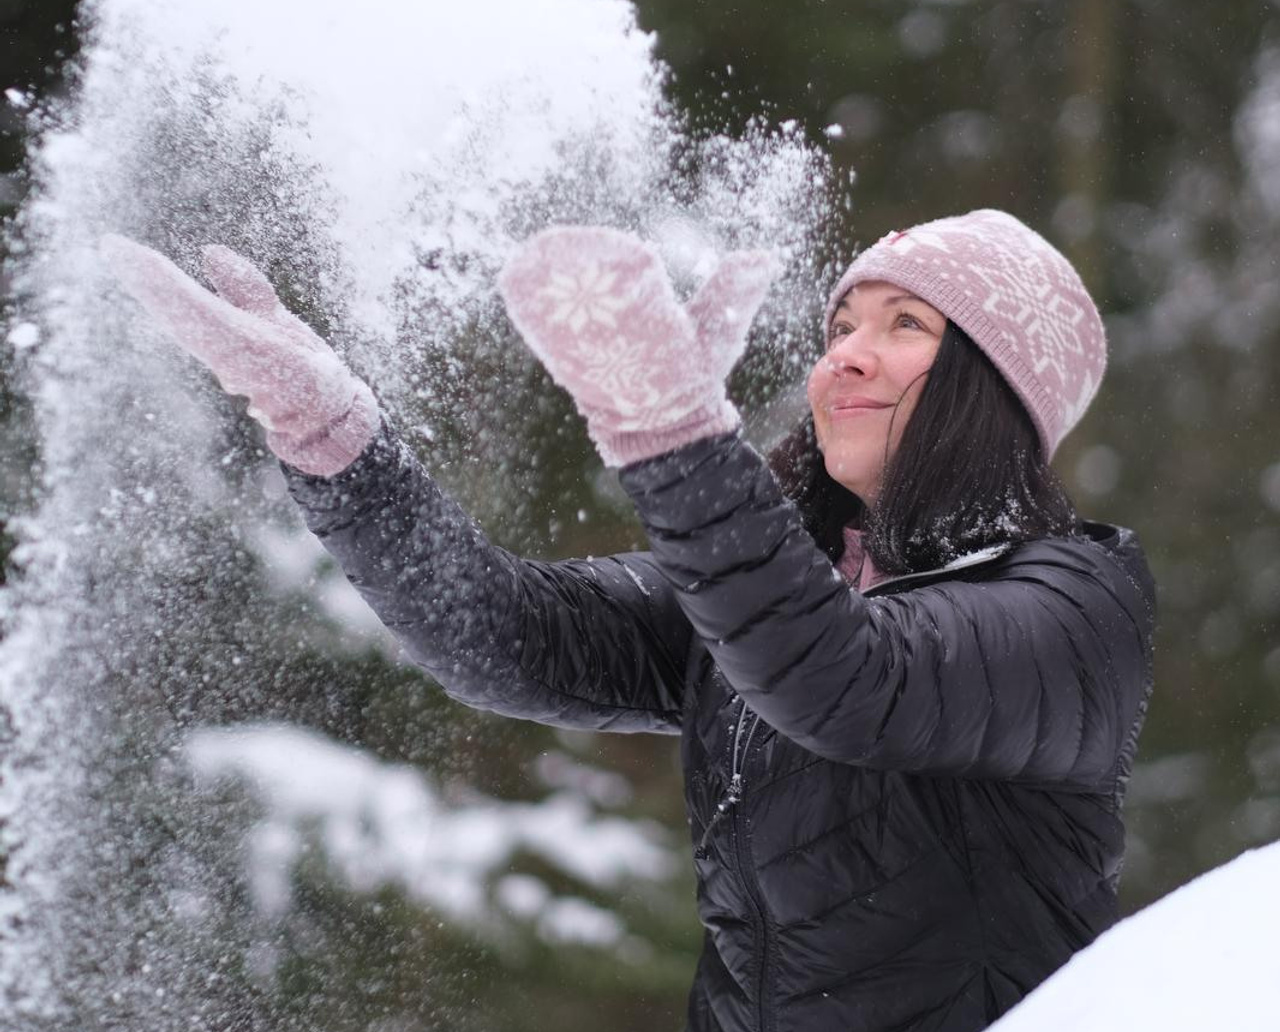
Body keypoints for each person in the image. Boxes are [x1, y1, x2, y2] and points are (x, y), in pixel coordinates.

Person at [103, 208, 1156, 1032]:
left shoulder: (1070, 606)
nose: (841, 354)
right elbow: (503, 632)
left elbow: (843, 681)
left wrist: (672, 436)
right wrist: (332, 434)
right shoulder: (782, 587)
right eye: (838, 325)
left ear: (991, 385)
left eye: (902, 324)